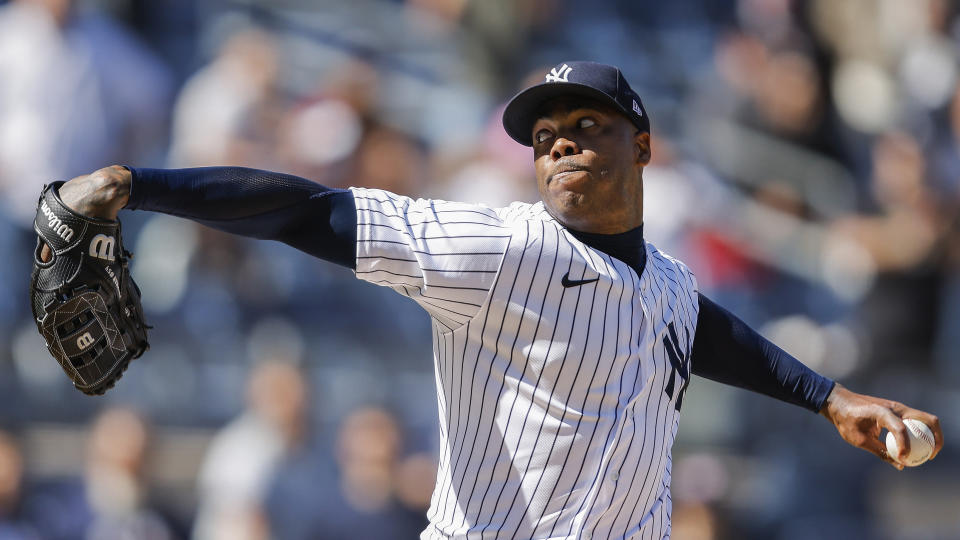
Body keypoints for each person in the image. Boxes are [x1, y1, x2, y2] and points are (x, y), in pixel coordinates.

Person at [43, 61, 943, 539]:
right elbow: (308, 210)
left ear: (644, 146)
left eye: (588, 126)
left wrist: (828, 398)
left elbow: (702, 332)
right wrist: (135, 183)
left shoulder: (665, 282)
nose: (559, 145)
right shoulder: (499, 249)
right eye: (545, 136)